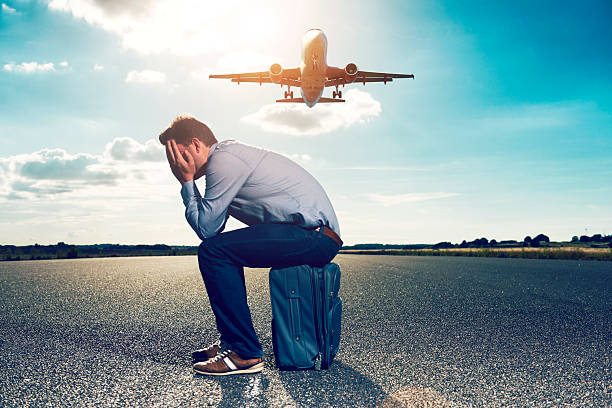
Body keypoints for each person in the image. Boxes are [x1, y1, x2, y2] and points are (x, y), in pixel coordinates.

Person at [159, 115, 342, 376]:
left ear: (196, 145)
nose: (174, 162)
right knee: (217, 249)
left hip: (314, 236)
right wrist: (189, 183)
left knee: (214, 253)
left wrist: (186, 183)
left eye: (177, 153)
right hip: (309, 234)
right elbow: (212, 226)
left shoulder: (223, 159)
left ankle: (244, 353)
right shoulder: (226, 161)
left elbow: (206, 229)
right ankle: (232, 343)